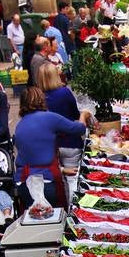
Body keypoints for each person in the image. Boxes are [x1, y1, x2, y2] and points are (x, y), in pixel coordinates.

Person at [14, 87, 88, 209]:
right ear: (42, 100)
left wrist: (62, 169)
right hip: (47, 183)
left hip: (24, 184)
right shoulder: (50, 118)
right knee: (55, 223)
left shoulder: (19, 125)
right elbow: (79, 129)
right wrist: (84, 115)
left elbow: (34, 154)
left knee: (34, 224)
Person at [38, 63, 88, 197]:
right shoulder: (64, 92)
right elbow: (76, 114)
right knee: (72, 179)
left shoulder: (39, 97)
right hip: (70, 141)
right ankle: (74, 207)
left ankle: (64, 206)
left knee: (58, 179)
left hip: (51, 144)